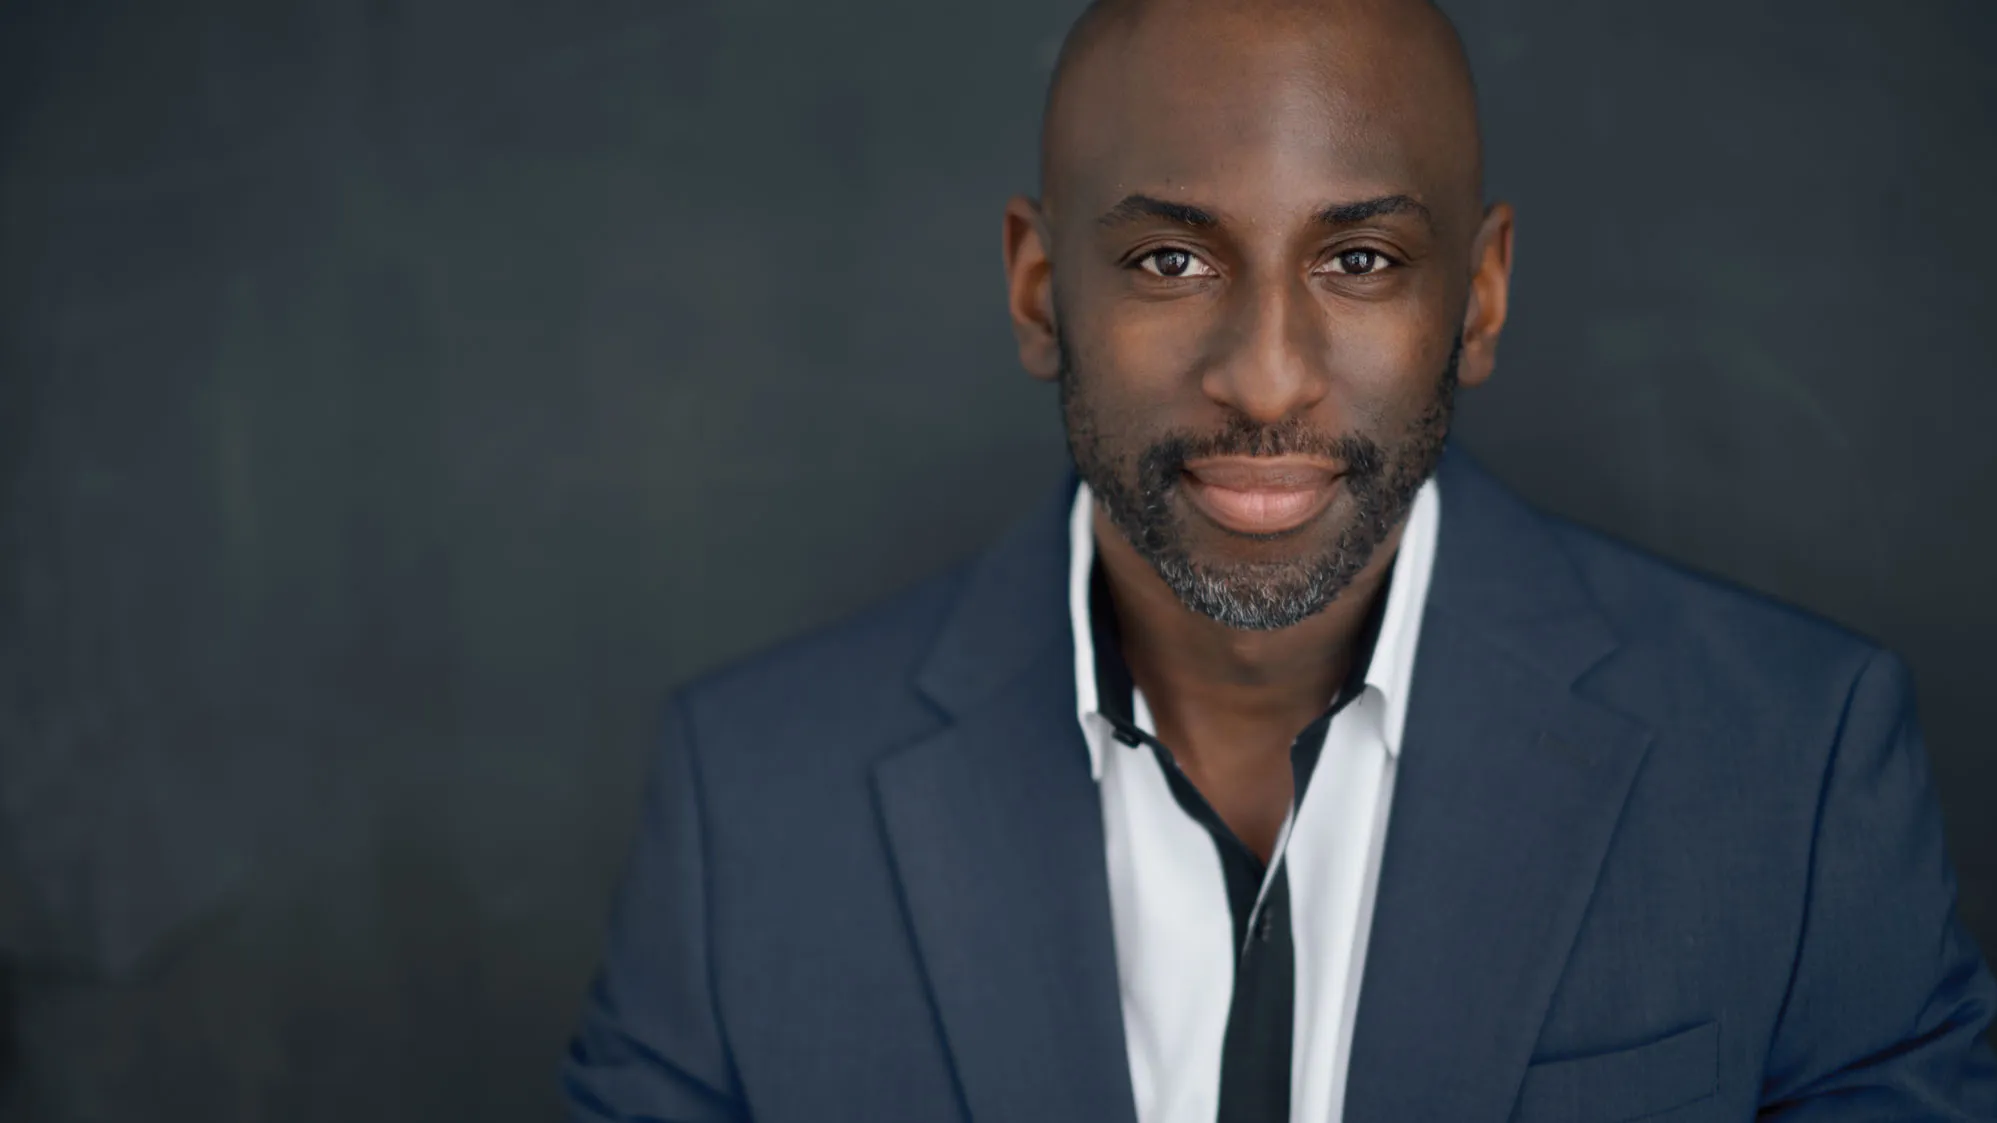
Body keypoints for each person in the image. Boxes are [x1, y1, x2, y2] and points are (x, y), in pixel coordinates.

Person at [562, 0, 1997, 1118]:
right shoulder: (749, 804)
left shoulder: (1795, 769)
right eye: (1171, 261)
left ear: (1479, 297)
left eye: (1359, 259)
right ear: (1037, 287)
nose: (1264, 380)